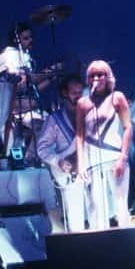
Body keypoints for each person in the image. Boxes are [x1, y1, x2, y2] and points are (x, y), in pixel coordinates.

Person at [76, 60, 133, 230]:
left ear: (108, 77)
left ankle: (127, 245)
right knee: (96, 208)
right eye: (92, 75)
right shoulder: (83, 103)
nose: (96, 78)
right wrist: (81, 163)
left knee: (120, 204)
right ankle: (100, 247)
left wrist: (123, 158)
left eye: (100, 74)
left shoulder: (117, 98)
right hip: (92, 160)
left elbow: (128, 127)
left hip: (114, 157)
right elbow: (79, 135)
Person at [0, 22, 53, 162]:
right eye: (26, 38)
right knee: (11, 149)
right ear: (16, 39)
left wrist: (51, 77)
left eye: (31, 37)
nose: (30, 41)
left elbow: (31, 87)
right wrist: (47, 73)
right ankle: (25, 160)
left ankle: (29, 158)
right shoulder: (9, 55)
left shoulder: (25, 56)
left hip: (26, 108)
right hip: (9, 110)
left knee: (49, 123)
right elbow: (19, 83)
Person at [37, 75, 86, 232]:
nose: (78, 95)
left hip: (89, 170)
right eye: (74, 92)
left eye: (81, 92)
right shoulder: (54, 120)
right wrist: (58, 161)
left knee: (97, 216)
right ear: (65, 94)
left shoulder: (90, 116)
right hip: (68, 174)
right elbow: (42, 149)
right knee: (76, 220)